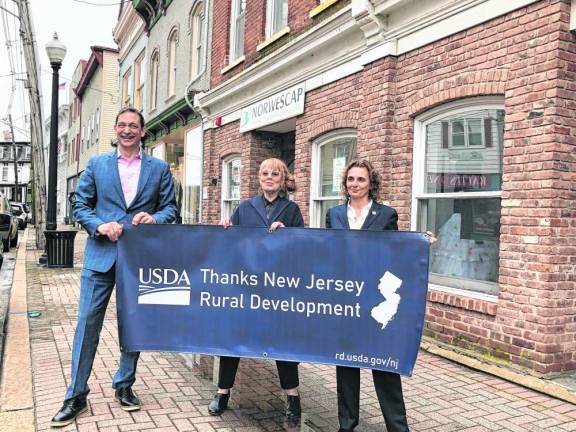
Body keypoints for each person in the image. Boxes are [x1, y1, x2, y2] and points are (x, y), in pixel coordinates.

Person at [50, 108, 177, 428]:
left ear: (143, 131)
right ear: (116, 130)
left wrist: (155, 218)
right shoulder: (96, 165)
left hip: (138, 259)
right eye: (122, 125)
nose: (127, 130)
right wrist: (100, 225)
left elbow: (170, 209)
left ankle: (125, 384)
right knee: (86, 325)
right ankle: (76, 394)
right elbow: (80, 205)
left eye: (133, 125)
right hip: (100, 257)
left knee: (133, 325)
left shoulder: (159, 169)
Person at [326, 159, 434, 432]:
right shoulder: (334, 214)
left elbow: (396, 252)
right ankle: (346, 424)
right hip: (347, 299)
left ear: (371, 184)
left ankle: (397, 426)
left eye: (361, 179)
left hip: (376, 301)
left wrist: (419, 244)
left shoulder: (386, 215)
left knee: (383, 364)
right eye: (350, 179)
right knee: (346, 364)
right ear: (345, 183)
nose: (355, 184)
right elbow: (324, 250)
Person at [208, 158, 303, 422]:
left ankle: (293, 397)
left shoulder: (291, 210)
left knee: (282, 342)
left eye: (275, 174)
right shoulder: (245, 207)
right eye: (264, 173)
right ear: (258, 177)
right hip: (247, 287)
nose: (269, 177)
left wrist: (289, 234)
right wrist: (226, 229)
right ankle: (222, 392)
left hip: (278, 289)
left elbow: (304, 247)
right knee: (233, 339)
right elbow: (232, 247)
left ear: (282, 179)